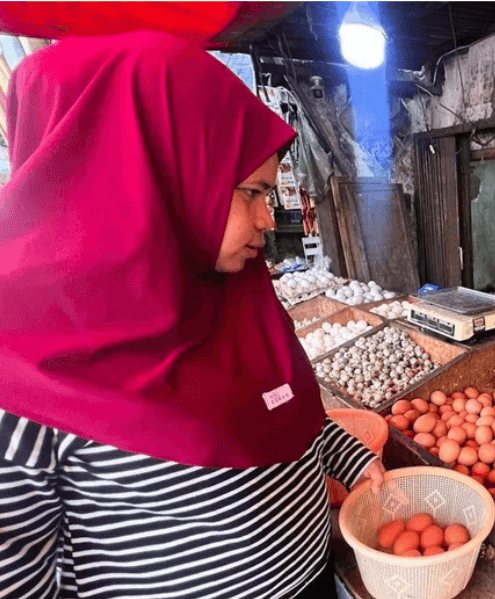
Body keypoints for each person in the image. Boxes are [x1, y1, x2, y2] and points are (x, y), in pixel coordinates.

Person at [0, 32, 384, 599]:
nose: (266, 219)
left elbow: (282, 410)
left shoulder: (231, 294)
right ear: (153, 173)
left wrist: (345, 456)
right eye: (251, 192)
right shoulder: (27, 364)